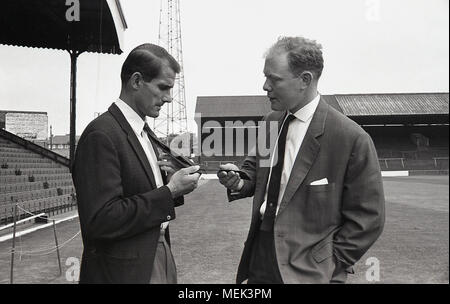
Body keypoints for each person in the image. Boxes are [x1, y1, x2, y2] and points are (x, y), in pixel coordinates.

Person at [218, 36, 385, 284]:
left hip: (310, 270)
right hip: (260, 256)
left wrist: (329, 262)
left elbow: (369, 218)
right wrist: (239, 181)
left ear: (304, 80)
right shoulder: (270, 122)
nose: (265, 86)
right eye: (265, 76)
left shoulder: (351, 138)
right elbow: (255, 172)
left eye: (274, 79)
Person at [72, 43, 201, 284]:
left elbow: (138, 191)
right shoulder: (101, 134)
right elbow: (101, 220)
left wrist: (169, 181)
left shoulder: (142, 130)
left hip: (155, 254)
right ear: (137, 81)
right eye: (163, 87)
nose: (169, 98)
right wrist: (170, 191)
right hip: (123, 272)